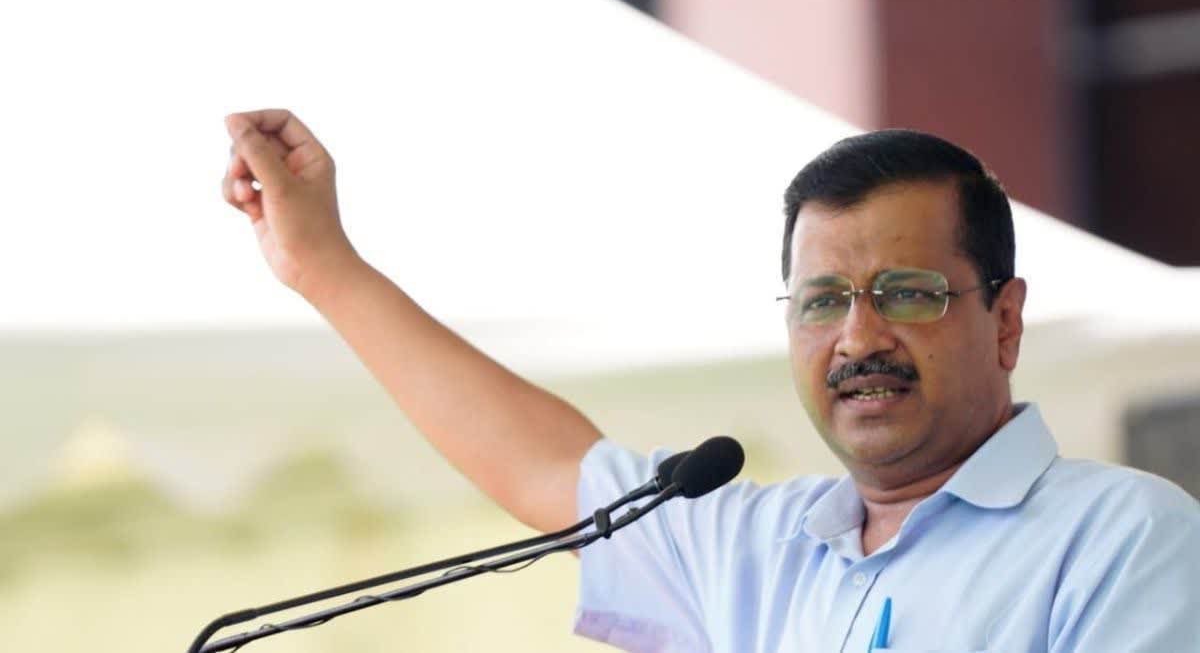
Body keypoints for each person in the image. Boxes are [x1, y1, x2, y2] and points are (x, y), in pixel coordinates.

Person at [221, 109, 1200, 652]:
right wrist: (322, 265)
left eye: (905, 293)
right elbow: (547, 469)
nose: (857, 337)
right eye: (821, 301)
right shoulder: (761, 547)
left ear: (1006, 319)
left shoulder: (1123, 538)